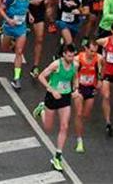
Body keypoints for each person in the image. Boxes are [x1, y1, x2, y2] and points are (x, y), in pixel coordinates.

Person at [34, 44, 79, 172]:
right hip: (52, 97)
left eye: (73, 55)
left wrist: (76, 88)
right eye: (69, 55)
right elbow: (41, 76)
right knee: (48, 127)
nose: (71, 58)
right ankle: (42, 109)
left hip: (65, 97)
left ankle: (58, 156)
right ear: (64, 54)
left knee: (64, 126)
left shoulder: (75, 65)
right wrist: (52, 90)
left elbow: (75, 78)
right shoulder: (56, 65)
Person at [0, 0, 31, 89]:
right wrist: (8, 19)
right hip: (9, 26)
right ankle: (6, 40)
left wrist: (29, 15)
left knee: (19, 52)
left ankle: (16, 78)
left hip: (21, 27)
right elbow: (1, 9)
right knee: (4, 48)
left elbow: (26, 8)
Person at [72, 39, 102, 151]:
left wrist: (100, 80)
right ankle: (79, 140)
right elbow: (73, 75)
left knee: (85, 115)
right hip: (79, 88)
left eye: (95, 51)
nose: (93, 53)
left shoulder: (99, 58)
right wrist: (74, 89)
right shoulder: (77, 59)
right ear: (85, 49)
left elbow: (101, 70)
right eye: (91, 51)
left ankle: (78, 127)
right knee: (79, 114)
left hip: (90, 88)